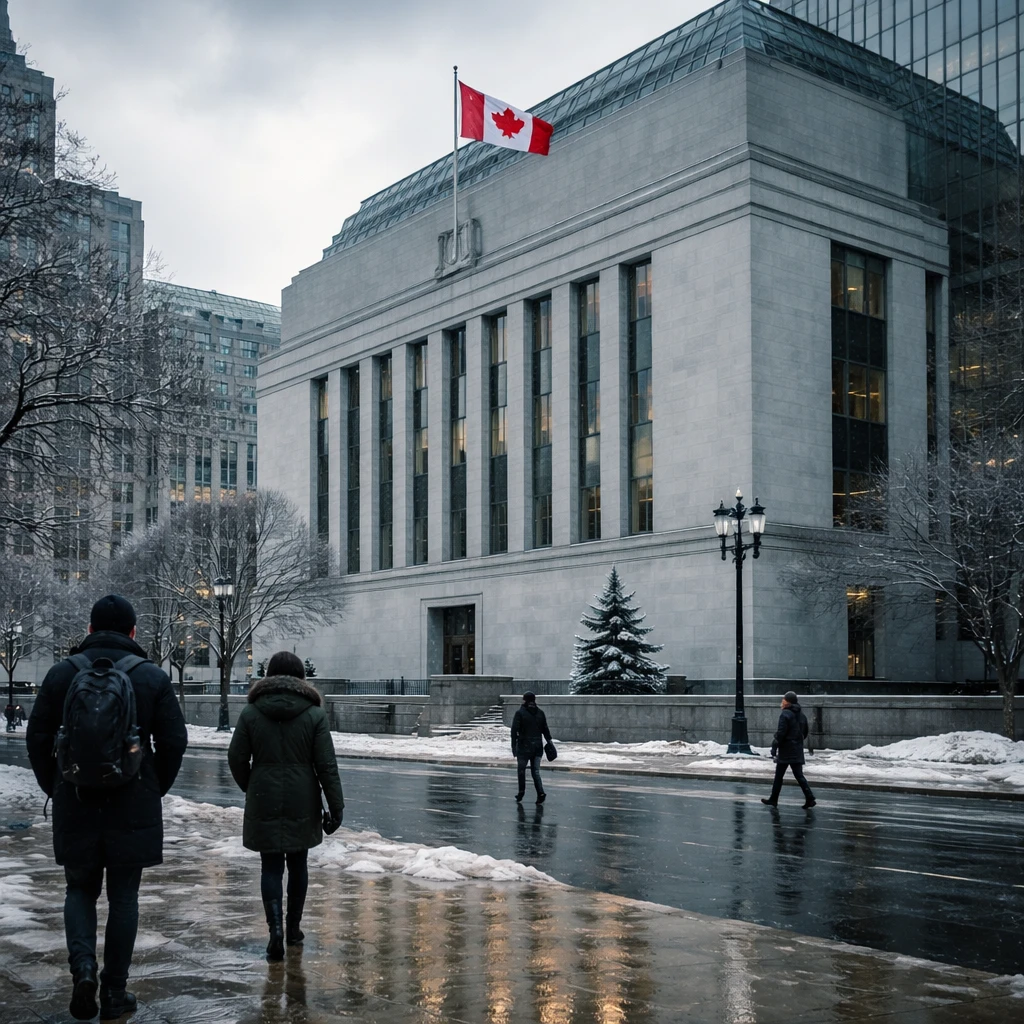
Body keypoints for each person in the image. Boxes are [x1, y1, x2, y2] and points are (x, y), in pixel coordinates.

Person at [26, 595, 188, 1022]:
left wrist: (58, 785)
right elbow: (174, 742)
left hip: (76, 800)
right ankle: (115, 993)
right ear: (134, 632)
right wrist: (152, 788)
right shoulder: (151, 677)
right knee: (123, 897)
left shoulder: (62, 674)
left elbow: (37, 738)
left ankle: (83, 970)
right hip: (132, 803)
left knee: (79, 889)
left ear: (90, 628)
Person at [227, 651, 344, 961]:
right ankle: (293, 928)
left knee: (270, 866)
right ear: (301, 678)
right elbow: (326, 765)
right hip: (303, 796)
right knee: (298, 863)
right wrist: (336, 806)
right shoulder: (314, 714)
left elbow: (236, 757)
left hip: (263, 794)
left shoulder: (251, 712)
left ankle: (274, 930)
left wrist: (251, 785)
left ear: (269, 677)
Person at [762, 690, 816, 809]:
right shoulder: (802, 715)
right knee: (799, 775)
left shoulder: (785, 714)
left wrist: (774, 746)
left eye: (784, 699)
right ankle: (810, 797)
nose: (782, 700)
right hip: (796, 750)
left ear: (788, 702)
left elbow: (781, 733)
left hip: (786, 750)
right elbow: (805, 732)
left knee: (779, 776)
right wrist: (796, 741)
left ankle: (773, 799)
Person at [510, 691, 552, 804]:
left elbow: (514, 731)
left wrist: (514, 747)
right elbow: (546, 730)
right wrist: (550, 743)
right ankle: (540, 793)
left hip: (524, 747)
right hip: (538, 747)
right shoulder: (540, 713)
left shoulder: (520, 713)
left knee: (521, 771)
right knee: (536, 771)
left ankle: (521, 793)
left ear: (524, 700)